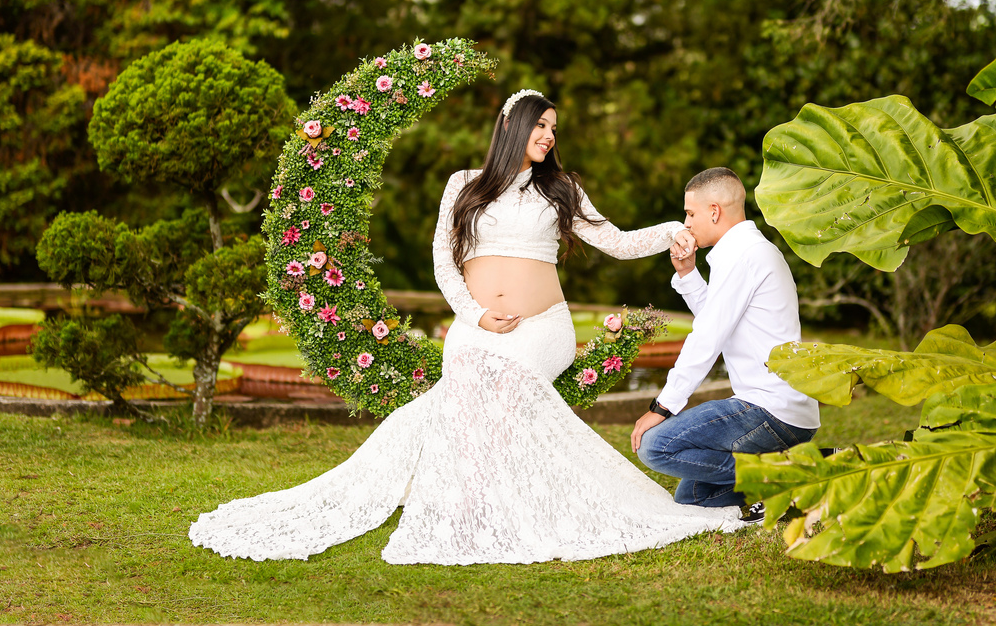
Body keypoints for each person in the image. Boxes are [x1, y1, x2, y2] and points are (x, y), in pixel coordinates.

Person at [189, 90, 744, 565]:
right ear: (510, 125)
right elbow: (441, 261)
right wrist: (474, 313)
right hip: (475, 325)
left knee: (500, 381)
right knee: (465, 383)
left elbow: (618, 242)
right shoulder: (463, 184)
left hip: (543, 327)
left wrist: (676, 227)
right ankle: (467, 496)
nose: (549, 135)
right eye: (540, 124)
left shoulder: (561, 190)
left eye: (554, 128)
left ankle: (476, 501)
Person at [630, 168, 819, 522]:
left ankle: (797, 476)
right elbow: (718, 321)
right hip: (778, 411)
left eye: (690, 213)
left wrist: (662, 406)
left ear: (714, 211)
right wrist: (687, 272)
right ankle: (782, 486)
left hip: (770, 410)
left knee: (657, 446)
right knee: (694, 495)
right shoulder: (745, 252)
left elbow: (707, 338)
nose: (686, 223)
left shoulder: (743, 255)